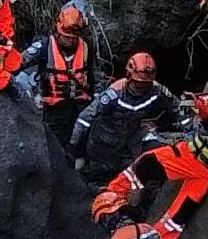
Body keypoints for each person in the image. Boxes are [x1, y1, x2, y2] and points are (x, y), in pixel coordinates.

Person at [88, 119, 208, 239]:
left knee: (179, 215)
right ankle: (113, 207)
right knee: (146, 164)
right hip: (188, 156)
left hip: (204, 171)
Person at [69, 52, 175, 181]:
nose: (143, 88)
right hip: (104, 142)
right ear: (130, 76)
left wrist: (190, 129)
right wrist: (74, 146)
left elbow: (176, 107)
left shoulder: (156, 90)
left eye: (146, 84)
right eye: (139, 84)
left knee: (147, 165)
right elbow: (85, 119)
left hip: (132, 138)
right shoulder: (114, 94)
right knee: (99, 176)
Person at [32, 4, 99, 147]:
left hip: (80, 107)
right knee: (55, 145)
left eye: (74, 38)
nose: (71, 40)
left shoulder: (87, 47)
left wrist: (96, 99)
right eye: (67, 37)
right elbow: (19, 63)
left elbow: (93, 76)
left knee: (81, 143)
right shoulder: (43, 47)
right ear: (59, 30)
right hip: (54, 109)